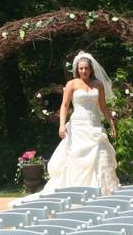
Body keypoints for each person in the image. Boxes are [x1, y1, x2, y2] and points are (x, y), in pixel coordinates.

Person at [39, 51, 120, 195]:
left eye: (86, 68)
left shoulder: (98, 84)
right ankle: (75, 191)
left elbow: (103, 106)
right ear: (77, 69)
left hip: (95, 126)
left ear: (91, 69)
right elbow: (64, 106)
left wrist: (111, 123)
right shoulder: (72, 84)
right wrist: (62, 125)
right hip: (78, 127)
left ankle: (105, 191)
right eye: (81, 68)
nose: (84, 71)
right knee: (75, 159)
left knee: (101, 155)